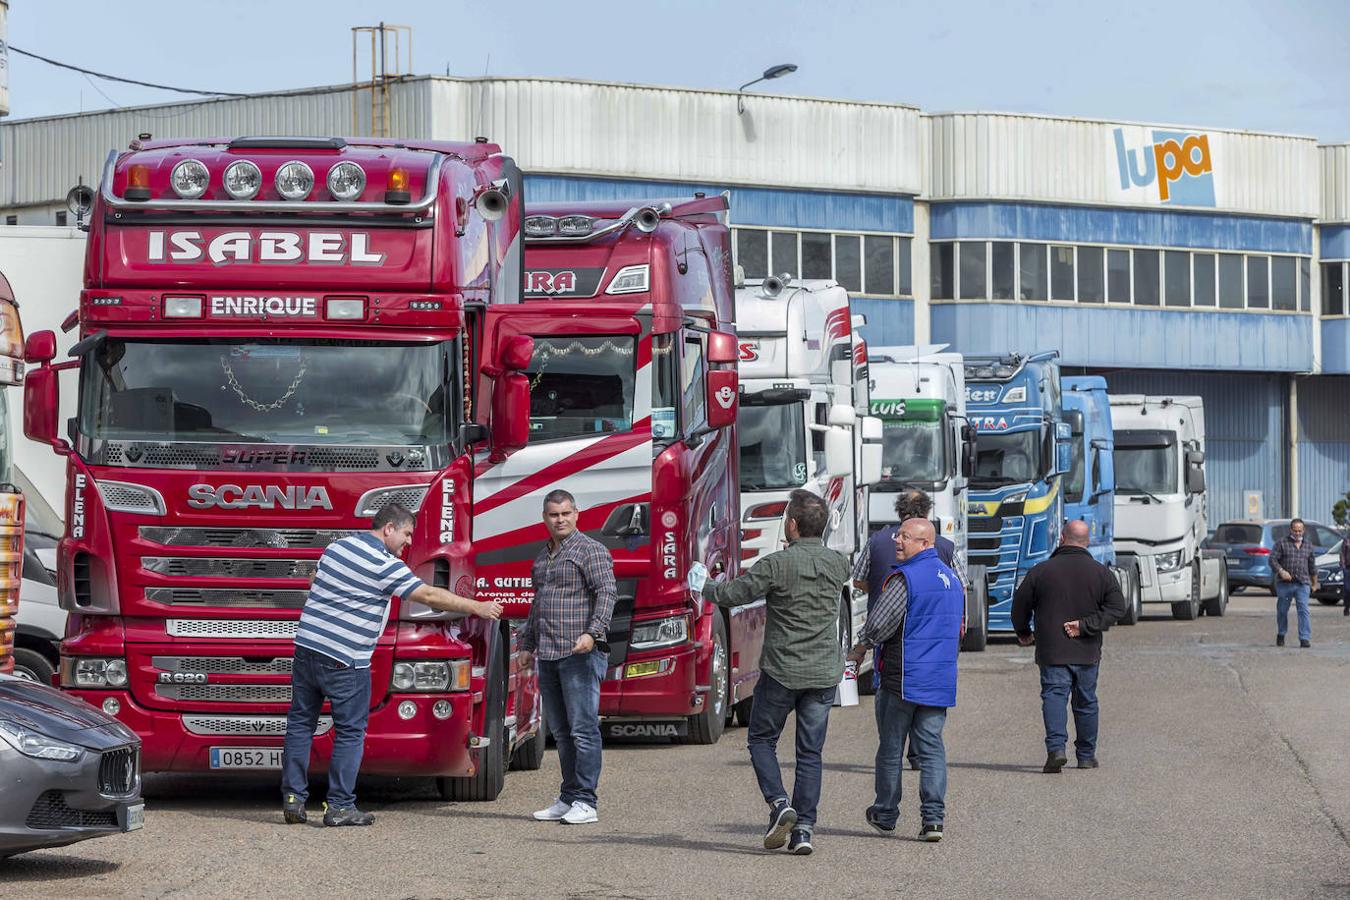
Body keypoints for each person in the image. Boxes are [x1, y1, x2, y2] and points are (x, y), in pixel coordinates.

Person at [281, 503, 502, 826]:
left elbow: (316, 578)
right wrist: (476, 607)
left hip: (307, 648)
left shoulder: (336, 547)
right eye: (406, 533)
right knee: (350, 732)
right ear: (388, 528)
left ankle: (293, 799)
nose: (408, 542)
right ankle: (340, 806)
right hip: (346, 657)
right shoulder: (385, 564)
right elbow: (428, 595)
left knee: (301, 723)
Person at [697, 489, 850, 856]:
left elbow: (732, 594)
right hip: (823, 671)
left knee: (762, 740)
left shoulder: (776, 565)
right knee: (810, 752)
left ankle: (780, 803)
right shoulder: (837, 564)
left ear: (793, 525)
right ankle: (804, 831)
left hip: (783, 669)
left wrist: (701, 583)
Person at [846, 518, 963, 843]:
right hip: (938, 680)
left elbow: (880, 625)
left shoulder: (905, 579)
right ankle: (934, 820)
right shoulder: (951, 580)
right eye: (899, 535)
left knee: (891, 748)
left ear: (925, 544)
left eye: (905, 538)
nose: (897, 541)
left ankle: (886, 814)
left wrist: (859, 649)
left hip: (903, 677)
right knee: (932, 750)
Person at [851, 489, 966, 767]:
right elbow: (961, 585)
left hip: (886, 633)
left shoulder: (877, 540)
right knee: (924, 693)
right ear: (927, 513)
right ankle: (918, 751)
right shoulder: (943, 546)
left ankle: (893, 753)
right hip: (932, 633)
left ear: (899, 512)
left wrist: (882, 593)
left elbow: (857, 580)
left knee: (890, 691)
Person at [523, 489, 617, 826]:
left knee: (583, 730)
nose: (559, 519)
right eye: (553, 514)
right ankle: (568, 796)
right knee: (561, 733)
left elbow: (607, 592)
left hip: (580, 653)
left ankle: (587, 802)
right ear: (544, 518)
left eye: (565, 513)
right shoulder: (542, 557)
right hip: (549, 653)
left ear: (577, 514)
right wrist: (526, 644)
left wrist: (593, 633)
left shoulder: (591, 550)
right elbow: (539, 605)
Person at [1010, 520, 1126, 774]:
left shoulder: (1041, 571)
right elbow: (1118, 608)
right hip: (1087, 650)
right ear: (1087, 541)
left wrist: (1024, 633)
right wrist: (1085, 626)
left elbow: (1019, 605)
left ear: (1062, 538)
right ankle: (1085, 756)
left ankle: (1056, 750)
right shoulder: (1100, 573)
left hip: (1052, 649)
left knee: (1054, 696)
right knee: (1086, 702)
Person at [1271, 519, 1319, 647]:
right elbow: (1272, 560)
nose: (1298, 533)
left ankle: (1304, 638)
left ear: (1303, 530)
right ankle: (1281, 633)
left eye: (1300, 530)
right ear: (1290, 530)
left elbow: (1312, 566)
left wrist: (1314, 583)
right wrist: (1281, 571)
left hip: (1302, 583)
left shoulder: (1308, 545)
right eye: (1295, 530)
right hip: (1285, 583)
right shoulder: (1282, 543)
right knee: (1282, 610)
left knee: (1303, 610)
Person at [1341, 533, 1350, 617]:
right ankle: (1347, 606)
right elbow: (1342, 554)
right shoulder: (1346, 540)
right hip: (1348, 568)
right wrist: (1343, 567)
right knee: (1347, 589)